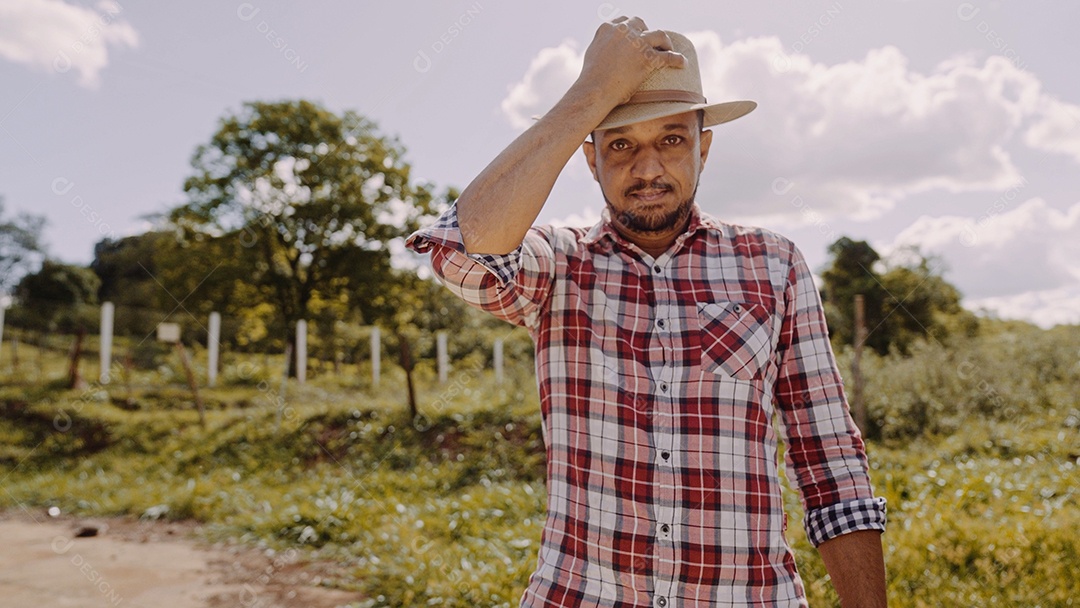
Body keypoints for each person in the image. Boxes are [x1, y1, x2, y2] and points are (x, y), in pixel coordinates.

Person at [406, 16, 887, 608]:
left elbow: (830, 461)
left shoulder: (774, 264)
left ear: (703, 146)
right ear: (591, 159)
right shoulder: (558, 264)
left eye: (672, 139)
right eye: (621, 144)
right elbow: (464, 251)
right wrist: (589, 95)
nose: (649, 168)